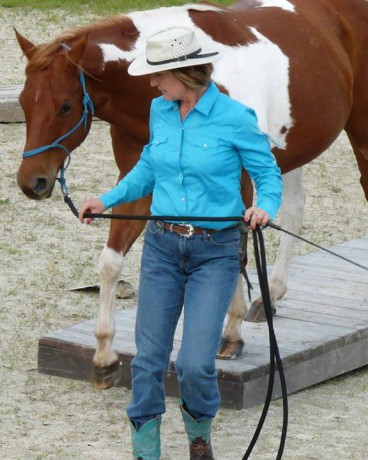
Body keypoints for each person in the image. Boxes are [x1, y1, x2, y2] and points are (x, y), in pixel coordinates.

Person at [79, 26, 282, 460]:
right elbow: (148, 165)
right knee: (148, 360)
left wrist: (264, 206)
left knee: (194, 364)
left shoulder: (235, 117)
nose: (153, 83)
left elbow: (267, 175)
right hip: (162, 248)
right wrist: (106, 199)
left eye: (159, 75)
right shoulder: (160, 111)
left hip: (217, 251)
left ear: (186, 72)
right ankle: (145, 450)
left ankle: (198, 436)